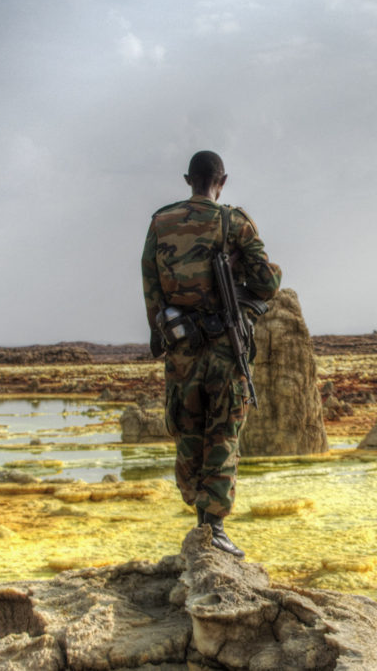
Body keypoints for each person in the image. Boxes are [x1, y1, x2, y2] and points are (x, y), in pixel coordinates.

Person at [141, 150, 282, 557]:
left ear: (189, 179)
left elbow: (150, 282)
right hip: (223, 347)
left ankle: (198, 514)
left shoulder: (160, 221)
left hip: (181, 346)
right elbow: (267, 283)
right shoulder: (233, 221)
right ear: (222, 181)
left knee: (188, 429)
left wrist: (160, 333)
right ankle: (213, 525)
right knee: (222, 430)